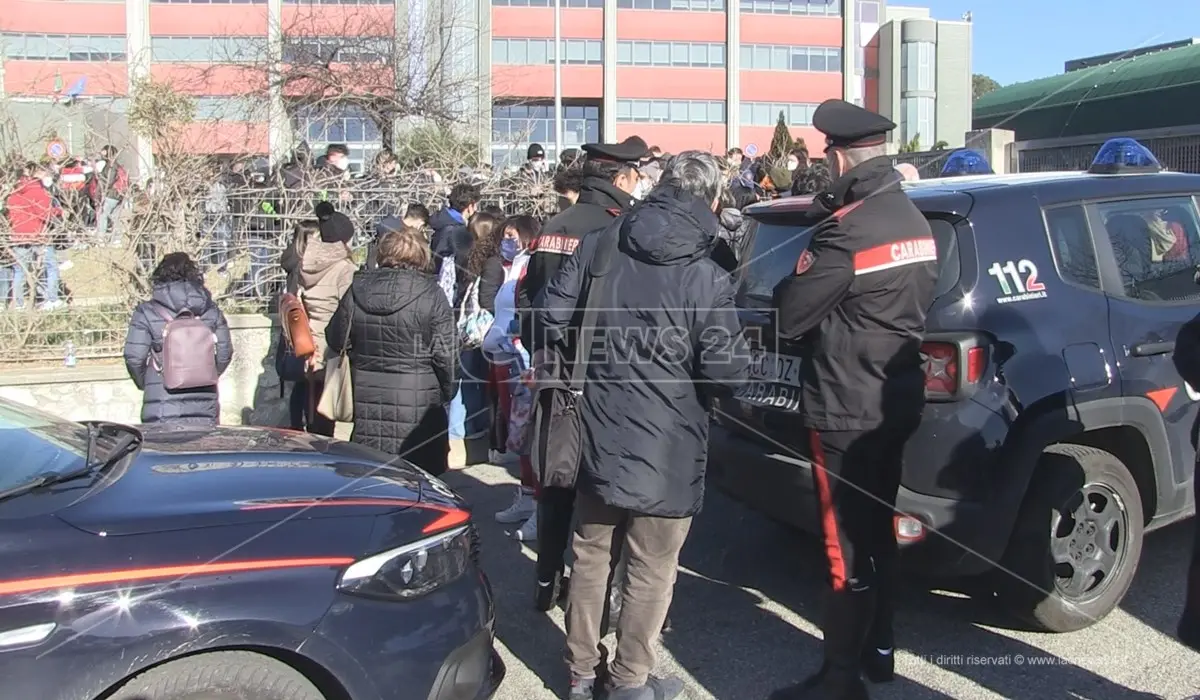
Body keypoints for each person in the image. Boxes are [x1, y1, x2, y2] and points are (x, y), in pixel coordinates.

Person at [534, 151, 749, 700]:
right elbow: (726, 370)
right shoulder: (708, 270)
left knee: (590, 553)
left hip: (598, 426)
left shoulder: (605, 240)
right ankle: (630, 681)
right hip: (671, 441)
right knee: (651, 566)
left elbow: (549, 317)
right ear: (713, 200)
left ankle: (581, 673)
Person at [767, 99, 940, 700]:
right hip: (895, 402)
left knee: (841, 547)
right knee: (877, 531)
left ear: (839, 156)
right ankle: (881, 650)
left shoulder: (847, 230)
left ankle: (840, 681)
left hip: (844, 406)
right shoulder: (916, 223)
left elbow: (791, 314)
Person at [518, 135, 648, 612]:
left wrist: (540, 352)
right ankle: (595, 589)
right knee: (599, 488)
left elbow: (527, 299)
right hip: (602, 376)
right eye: (637, 175)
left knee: (556, 480)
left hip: (554, 370)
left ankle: (545, 577)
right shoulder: (624, 229)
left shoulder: (554, 225)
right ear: (621, 178)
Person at [326, 228, 457, 475]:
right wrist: (447, 392)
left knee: (374, 475)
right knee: (420, 480)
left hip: (367, 395)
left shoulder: (357, 289)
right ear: (422, 255)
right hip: (419, 399)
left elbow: (335, 337)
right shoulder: (432, 294)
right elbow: (446, 354)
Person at [122, 253, 234, 426]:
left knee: (165, 449)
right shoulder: (211, 310)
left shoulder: (147, 311)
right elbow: (225, 352)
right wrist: (206, 374)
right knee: (202, 446)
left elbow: (134, 357)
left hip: (162, 399)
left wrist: (147, 382)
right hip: (205, 400)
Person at [487, 215, 540, 539]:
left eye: (512, 234)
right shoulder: (514, 264)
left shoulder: (531, 266)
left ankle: (538, 506)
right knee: (516, 432)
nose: (507, 240)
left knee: (527, 432)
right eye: (504, 234)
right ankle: (526, 495)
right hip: (502, 358)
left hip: (520, 361)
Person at [283, 205, 356, 436]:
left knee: (313, 400)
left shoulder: (307, 264)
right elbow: (349, 309)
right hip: (333, 346)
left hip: (309, 340)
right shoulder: (344, 269)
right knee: (327, 409)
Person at [6, 165, 64, 310]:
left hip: (18, 236)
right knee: (50, 267)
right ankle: (51, 300)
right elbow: (45, 213)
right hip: (39, 235)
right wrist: (59, 211)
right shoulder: (38, 191)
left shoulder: (14, 192)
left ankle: (18, 304)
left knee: (19, 271)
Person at [429, 183, 480, 270]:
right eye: (475, 205)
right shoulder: (455, 230)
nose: (476, 209)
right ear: (470, 207)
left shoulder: (444, 221)